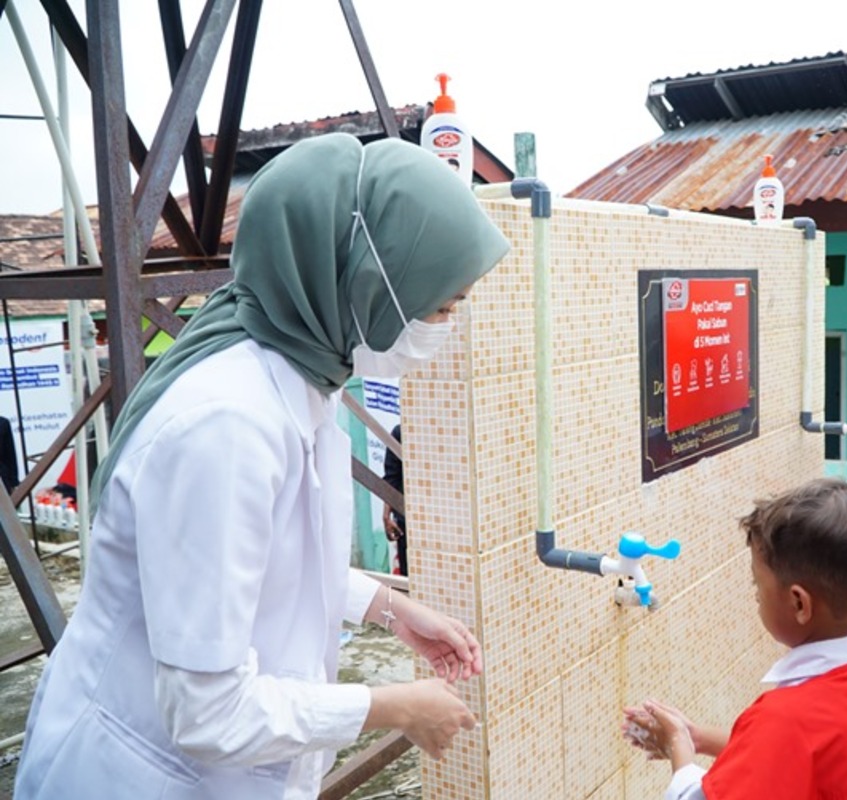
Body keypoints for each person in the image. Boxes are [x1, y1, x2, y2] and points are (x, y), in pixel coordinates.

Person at [14, 133, 510, 799]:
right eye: (440, 306)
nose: (442, 327)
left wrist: (390, 609)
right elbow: (208, 713)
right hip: (141, 775)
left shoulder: (305, 373)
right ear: (362, 278)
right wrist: (394, 707)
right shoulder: (225, 426)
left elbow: (272, 560)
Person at [622, 478, 847, 800]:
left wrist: (678, 745)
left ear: (798, 604)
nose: (755, 597)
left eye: (757, 584)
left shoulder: (785, 718)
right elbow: (792, 758)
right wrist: (699, 737)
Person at [381, 423, 407, 575]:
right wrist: (386, 516)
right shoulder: (400, 432)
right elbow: (392, 478)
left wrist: (386, 516)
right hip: (406, 523)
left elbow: (392, 477)